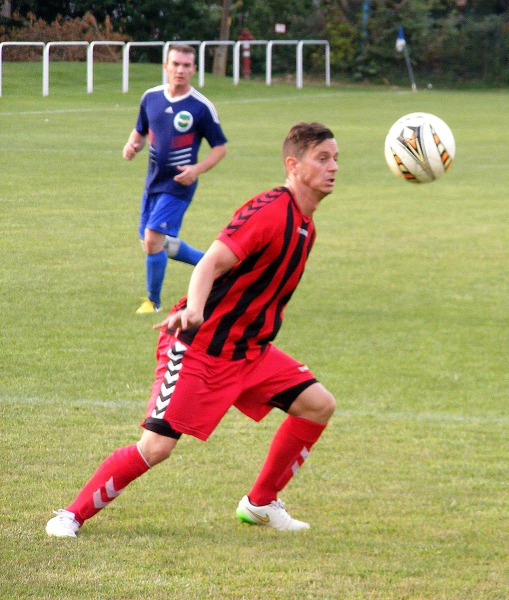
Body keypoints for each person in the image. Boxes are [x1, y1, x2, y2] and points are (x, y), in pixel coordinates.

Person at [47, 122, 339, 537]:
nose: (333, 167)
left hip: (248, 352)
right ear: (293, 165)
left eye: (335, 159)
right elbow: (210, 262)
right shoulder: (271, 209)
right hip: (199, 347)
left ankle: (260, 504)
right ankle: (70, 515)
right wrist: (195, 309)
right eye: (322, 158)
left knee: (317, 404)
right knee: (156, 447)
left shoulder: (306, 226)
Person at [123, 43, 228, 314]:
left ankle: (153, 302)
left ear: (194, 69)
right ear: (166, 67)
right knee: (156, 244)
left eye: (186, 65)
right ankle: (215, 266)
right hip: (153, 183)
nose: (180, 70)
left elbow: (220, 147)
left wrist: (198, 169)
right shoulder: (151, 98)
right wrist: (132, 145)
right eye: (175, 64)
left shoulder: (201, 107)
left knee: (152, 238)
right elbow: (140, 131)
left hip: (179, 184)